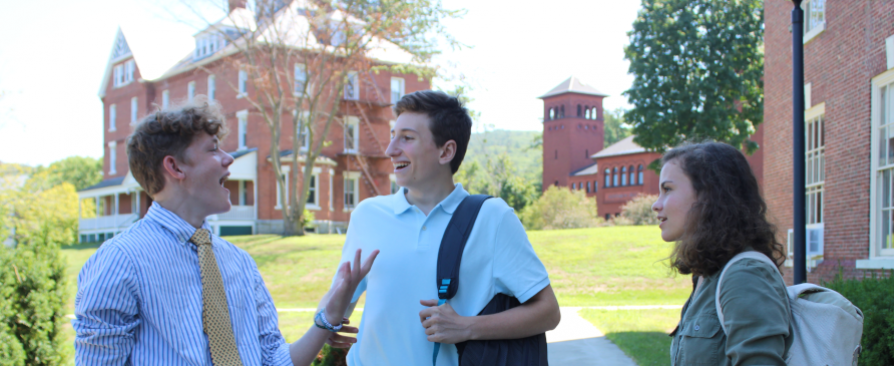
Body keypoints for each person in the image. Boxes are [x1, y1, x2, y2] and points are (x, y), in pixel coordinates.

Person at [73, 99, 378, 366]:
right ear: (175, 167)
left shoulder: (241, 263)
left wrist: (327, 320)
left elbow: (274, 360)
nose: (229, 159)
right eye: (213, 149)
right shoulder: (119, 261)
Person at [324, 90, 560, 365]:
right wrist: (327, 321)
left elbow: (548, 312)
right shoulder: (367, 215)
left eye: (407, 138)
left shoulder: (492, 218)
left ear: (446, 151)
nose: (390, 150)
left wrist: (467, 327)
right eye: (392, 135)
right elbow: (338, 299)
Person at [652, 142, 792, 366]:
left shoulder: (745, 276)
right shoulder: (706, 275)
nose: (655, 205)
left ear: (708, 195)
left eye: (667, 189)